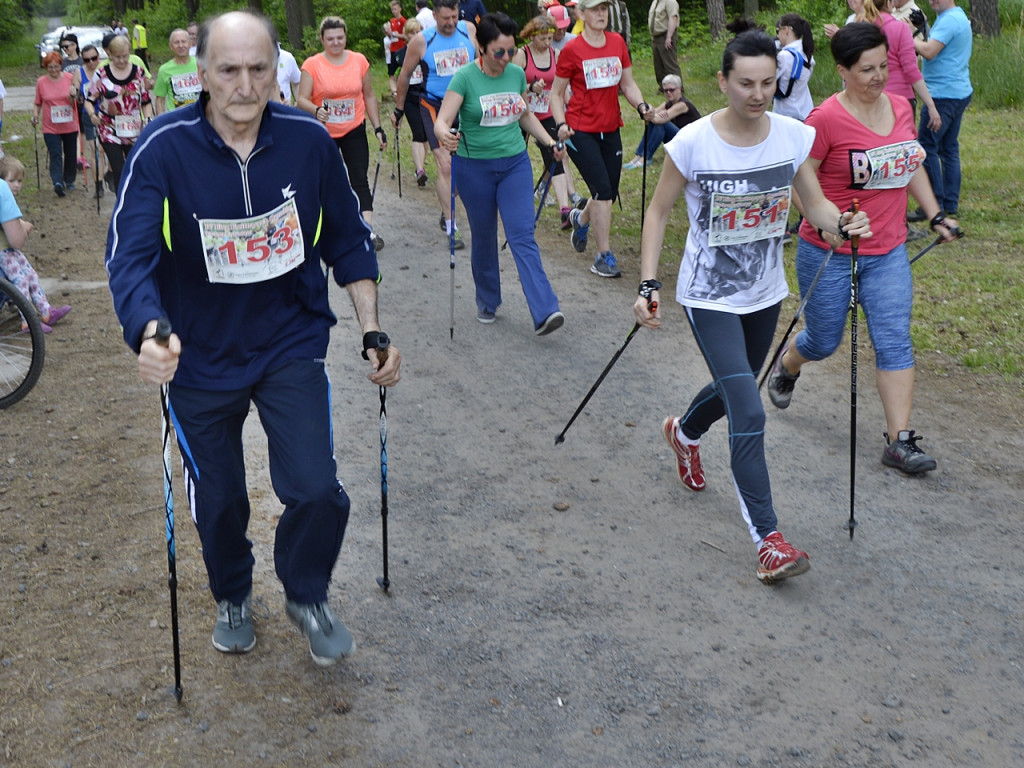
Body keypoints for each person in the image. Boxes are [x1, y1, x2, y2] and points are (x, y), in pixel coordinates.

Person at [106, 10, 402, 666]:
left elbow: (348, 239)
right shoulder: (161, 148)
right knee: (221, 497)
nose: (244, 84)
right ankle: (233, 593)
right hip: (198, 354)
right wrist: (148, 331)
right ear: (201, 74)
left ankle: (306, 592)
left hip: (287, 341)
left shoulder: (308, 140)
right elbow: (129, 257)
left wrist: (372, 327)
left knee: (316, 488)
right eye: (229, 70)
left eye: (259, 69)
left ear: (277, 70)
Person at [634, 29, 872, 584]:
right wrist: (647, 284)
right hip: (708, 296)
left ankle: (684, 433)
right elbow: (658, 212)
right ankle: (769, 540)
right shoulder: (692, 142)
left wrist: (843, 223)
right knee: (750, 407)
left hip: (765, 292)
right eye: (746, 83)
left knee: (733, 385)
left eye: (768, 82)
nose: (758, 93)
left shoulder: (791, 136)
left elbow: (814, 205)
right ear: (723, 81)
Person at [766, 22, 959, 475]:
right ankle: (790, 364)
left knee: (894, 338)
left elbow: (910, 165)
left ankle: (899, 441)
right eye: (867, 69)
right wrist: (829, 223)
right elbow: (800, 181)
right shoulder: (825, 120)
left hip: (888, 249)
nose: (878, 76)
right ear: (842, 72)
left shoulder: (899, 106)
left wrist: (934, 214)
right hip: (829, 250)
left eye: (883, 66)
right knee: (825, 339)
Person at [434, 12, 565, 334]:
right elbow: (442, 119)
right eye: (499, 52)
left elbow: (523, 114)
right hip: (473, 167)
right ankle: (488, 300)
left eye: (510, 51)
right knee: (484, 236)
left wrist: (549, 142)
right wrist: (443, 133)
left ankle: (546, 309)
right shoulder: (465, 77)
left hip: (514, 164)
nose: (506, 59)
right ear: (481, 47)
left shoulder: (516, 74)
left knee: (522, 234)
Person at [550, 0, 652, 279]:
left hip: (611, 129)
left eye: (604, 9)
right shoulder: (572, 50)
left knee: (606, 191)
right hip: (580, 131)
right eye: (594, 9)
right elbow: (556, 94)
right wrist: (560, 123)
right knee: (603, 192)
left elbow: (628, 84)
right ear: (580, 14)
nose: (601, 14)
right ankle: (603, 256)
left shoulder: (617, 42)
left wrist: (641, 106)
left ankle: (580, 219)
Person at [298, 16, 389, 251]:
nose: (336, 42)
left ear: (346, 37)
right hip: (324, 133)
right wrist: (316, 110)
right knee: (326, 181)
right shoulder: (313, 64)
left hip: (353, 128)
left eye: (340, 37)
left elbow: (368, 95)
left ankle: (365, 231)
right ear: (322, 39)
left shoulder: (359, 61)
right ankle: (324, 231)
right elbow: (302, 100)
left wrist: (378, 128)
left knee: (359, 178)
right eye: (330, 39)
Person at [393, 0, 478, 250]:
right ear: (435, 16)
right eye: (445, 19)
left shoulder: (469, 30)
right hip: (435, 107)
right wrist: (399, 109)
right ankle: (452, 226)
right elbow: (405, 76)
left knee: (465, 167)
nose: (450, 23)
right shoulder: (421, 40)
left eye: (454, 17)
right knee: (446, 165)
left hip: (466, 105)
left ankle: (446, 204)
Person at [912, 0, 972, 219]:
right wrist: (924, 28)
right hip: (958, 90)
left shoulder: (950, 21)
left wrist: (908, 36)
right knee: (949, 148)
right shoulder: (953, 16)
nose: (932, 1)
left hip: (942, 95)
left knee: (926, 148)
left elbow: (929, 51)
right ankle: (950, 203)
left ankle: (933, 205)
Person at [0, 156, 72, 333]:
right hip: (3, 251)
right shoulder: (2, 193)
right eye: (12, 181)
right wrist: (23, 227)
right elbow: (17, 238)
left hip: (9, 249)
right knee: (20, 280)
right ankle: (27, 320)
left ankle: (46, 311)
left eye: (19, 181)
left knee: (31, 274)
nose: (17, 185)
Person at [513, 14, 572, 227]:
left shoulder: (556, 54)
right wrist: (529, 88)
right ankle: (515, 201)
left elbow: (561, 87)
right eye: (542, 39)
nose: (547, 43)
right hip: (522, 112)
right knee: (516, 157)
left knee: (555, 154)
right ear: (531, 36)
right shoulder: (521, 55)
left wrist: (569, 108)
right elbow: (512, 86)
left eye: (550, 38)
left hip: (546, 113)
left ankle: (565, 210)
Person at [84, 35, 153, 193]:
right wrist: (92, 116)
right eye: (117, 57)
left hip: (133, 128)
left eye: (125, 56)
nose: (121, 60)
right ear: (109, 54)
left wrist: (148, 121)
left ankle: (134, 198)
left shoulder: (138, 73)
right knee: (119, 167)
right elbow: (89, 101)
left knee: (133, 167)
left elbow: (146, 102)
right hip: (109, 128)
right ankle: (122, 204)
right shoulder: (102, 73)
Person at [623, 74, 700, 168]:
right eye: (665, 90)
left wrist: (650, 114)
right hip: (680, 139)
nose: (668, 92)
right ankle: (639, 156)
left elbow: (659, 119)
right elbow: (654, 113)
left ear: (679, 89)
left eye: (671, 90)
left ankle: (646, 157)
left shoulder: (683, 105)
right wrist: (647, 109)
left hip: (691, 145)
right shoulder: (669, 104)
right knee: (654, 121)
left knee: (661, 124)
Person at [33, 52, 80, 197]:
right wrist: (35, 116)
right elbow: (37, 103)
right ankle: (58, 182)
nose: (53, 70)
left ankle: (69, 179)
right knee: (55, 153)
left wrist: (74, 95)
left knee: (70, 153)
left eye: (56, 67)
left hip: (69, 124)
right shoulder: (41, 82)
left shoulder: (69, 78)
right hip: (50, 126)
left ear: (61, 66)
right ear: (45, 67)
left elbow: (77, 101)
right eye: (50, 67)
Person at [399, 19, 431, 186]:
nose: (414, 35)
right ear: (406, 34)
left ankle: (421, 166)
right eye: (411, 32)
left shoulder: (427, 51)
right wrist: (395, 92)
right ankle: (420, 170)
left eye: (417, 31)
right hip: (410, 98)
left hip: (426, 96)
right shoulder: (400, 53)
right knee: (418, 133)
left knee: (425, 135)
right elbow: (395, 77)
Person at [77, 44, 108, 196]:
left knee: (108, 149)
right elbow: (75, 88)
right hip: (89, 115)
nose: (91, 62)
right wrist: (73, 91)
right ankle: (99, 184)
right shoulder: (79, 72)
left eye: (94, 58)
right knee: (97, 150)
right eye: (87, 59)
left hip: (107, 114)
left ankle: (111, 174)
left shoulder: (105, 70)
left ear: (99, 57)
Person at [773, 13, 815, 122]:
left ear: (786, 30)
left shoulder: (784, 56)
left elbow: (768, 80)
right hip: (805, 111)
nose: (777, 35)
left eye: (778, 31)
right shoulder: (807, 53)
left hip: (786, 114)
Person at [153, 29, 200, 115]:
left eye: (184, 42)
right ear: (171, 46)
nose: (181, 45)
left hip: (200, 117)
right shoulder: (164, 70)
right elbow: (160, 100)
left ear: (190, 44)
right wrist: (163, 124)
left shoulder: (201, 64)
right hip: (177, 119)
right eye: (176, 42)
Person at [648, 0, 681, 89]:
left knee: (669, 64)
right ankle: (663, 87)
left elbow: (673, 17)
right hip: (656, 37)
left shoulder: (670, 1)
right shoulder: (656, 2)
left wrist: (669, 37)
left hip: (665, 35)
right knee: (658, 65)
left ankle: (677, 88)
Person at [384, 0, 408, 98]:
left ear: (400, 9)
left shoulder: (403, 21)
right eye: (392, 9)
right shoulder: (392, 21)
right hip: (392, 49)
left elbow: (406, 35)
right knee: (392, 72)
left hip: (401, 48)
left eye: (395, 9)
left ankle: (402, 88)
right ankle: (394, 91)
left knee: (402, 70)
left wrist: (395, 34)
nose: (394, 11)